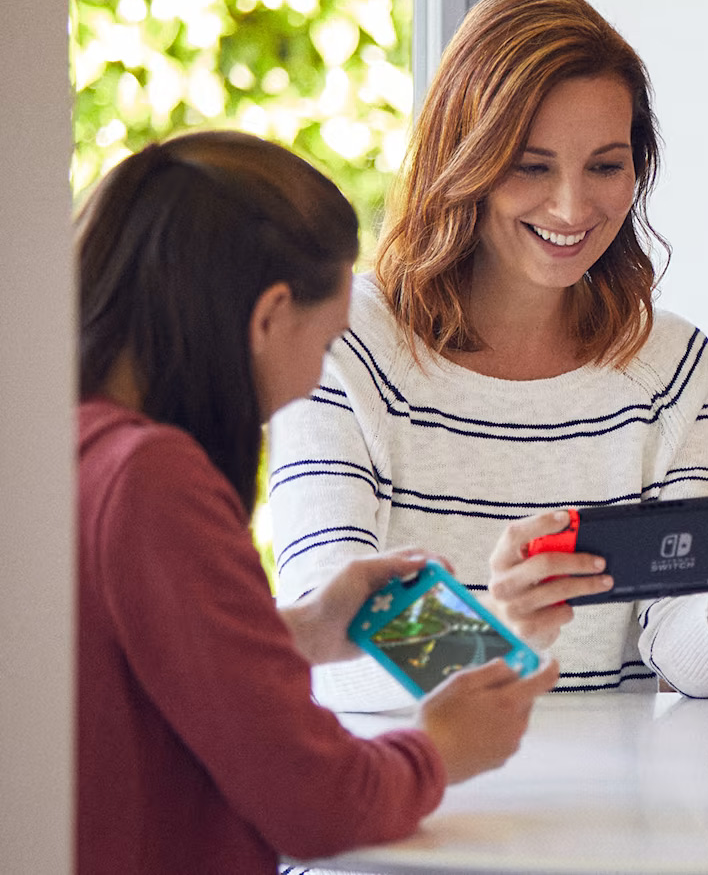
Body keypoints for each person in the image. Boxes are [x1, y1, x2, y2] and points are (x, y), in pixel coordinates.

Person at [267, 0, 708, 710]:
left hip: (615, 809)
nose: (572, 208)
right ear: (462, 158)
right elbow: (327, 644)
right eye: (531, 166)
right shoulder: (344, 344)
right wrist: (502, 633)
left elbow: (687, 662)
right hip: (419, 802)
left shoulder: (671, 366)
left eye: (605, 166)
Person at [76, 131, 558, 874]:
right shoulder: (152, 476)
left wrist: (306, 630)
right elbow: (318, 802)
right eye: (328, 342)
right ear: (269, 316)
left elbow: (127, 665)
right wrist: (442, 747)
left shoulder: (66, 449)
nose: (314, 380)